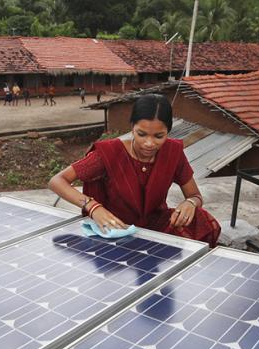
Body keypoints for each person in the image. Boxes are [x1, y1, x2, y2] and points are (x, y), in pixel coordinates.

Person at [49, 94, 221, 247]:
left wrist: (190, 204)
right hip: (117, 227)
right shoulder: (109, 154)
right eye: (142, 134)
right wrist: (93, 208)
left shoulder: (173, 153)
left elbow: (195, 196)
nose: (149, 143)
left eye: (159, 136)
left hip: (157, 225)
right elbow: (57, 181)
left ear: (168, 131)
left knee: (202, 219)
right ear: (132, 127)